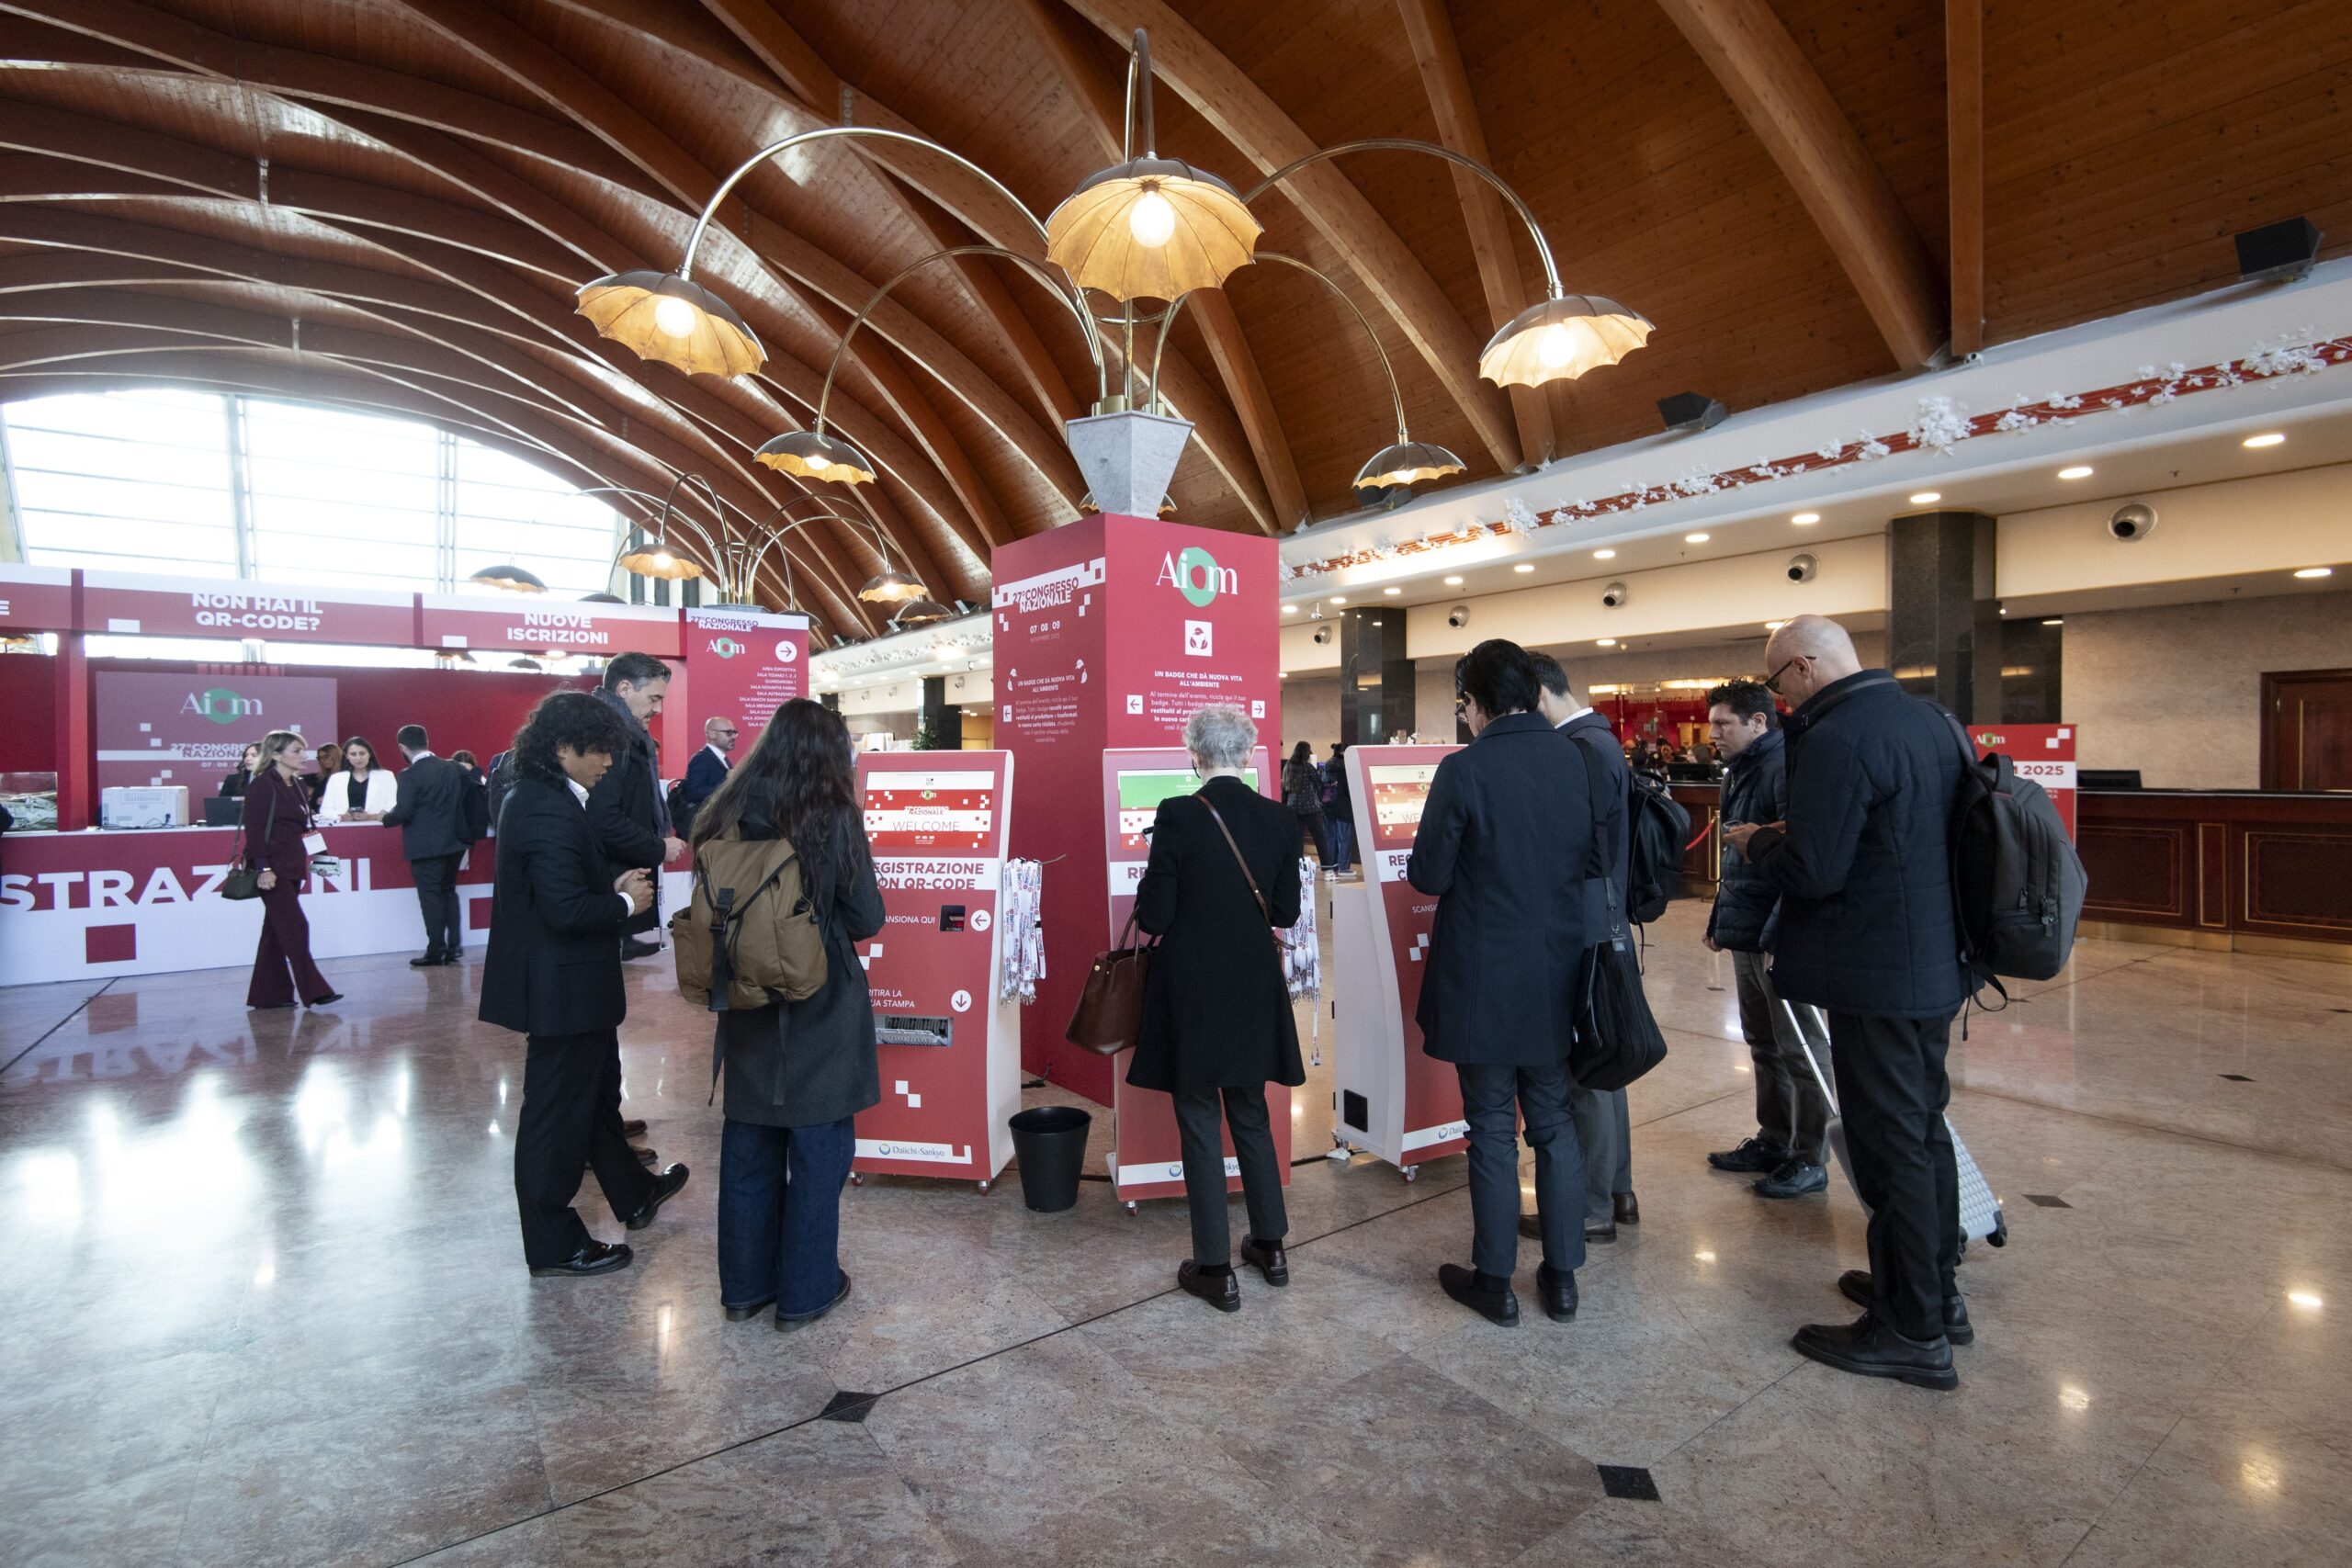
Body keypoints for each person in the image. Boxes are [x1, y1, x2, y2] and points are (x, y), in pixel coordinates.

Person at [1724, 614, 1971, 1391]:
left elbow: (1815, 869)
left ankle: (1911, 1331)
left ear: (1802, 667)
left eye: (1777, 682)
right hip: (1935, 962)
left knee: (1888, 1146)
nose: (1779, 698)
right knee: (1921, 1132)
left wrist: (1759, 841)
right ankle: (1932, 1292)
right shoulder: (1931, 721)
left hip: (1876, 971)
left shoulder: (1836, 735)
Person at [1408, 641, 1595, 1327]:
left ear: (1476, 703)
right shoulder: (1575, 759)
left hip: (1482, 976)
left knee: (1491, 1127)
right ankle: (1562, 1278)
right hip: (1556, 971)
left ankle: (1495, 1281)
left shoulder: (1464, 769)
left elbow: (1429, 874)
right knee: (1553, 1122)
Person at [481, 690, 686, 1279]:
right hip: (561, 991)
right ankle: (554, 1243)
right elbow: (565, 910)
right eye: (597, 750)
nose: (607, 762)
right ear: (561, 748)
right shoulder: (544, 806)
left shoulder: (549, 798)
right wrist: (624, 902)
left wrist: (609, 887)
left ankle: (634, 1193)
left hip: (573, 988)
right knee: (555, 1119)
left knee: (594, 1099)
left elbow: (562, 887)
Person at [698, 699, 883, 1329]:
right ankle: (806, 1291)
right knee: (818, 1147)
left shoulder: (724, 809)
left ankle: (745, 1288)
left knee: (748, 1144)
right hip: (819, 1001)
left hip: (744, 998)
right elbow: (867, 916)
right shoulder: (832, 813)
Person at [1127, 704, 1305, 1314]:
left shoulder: (1177, 814)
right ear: (1249, 754)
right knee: (1250, 1111)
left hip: (1193, 987)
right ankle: (1272, 1247)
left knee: (1200, 1117)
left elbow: (1155, 917)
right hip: (1254, 983)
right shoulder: (1280, 818)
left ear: (1194, 756)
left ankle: (1214, 1268)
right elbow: (1286, 913)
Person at [1702, 680, 1834, 1201]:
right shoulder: (1742, 769)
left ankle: (1810, 1155)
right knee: (1762, 1041)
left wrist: (1782, 931)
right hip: (1748, 928)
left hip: (1779, 932)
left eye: (1723, 724)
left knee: (1800, 1047)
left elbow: (1798, 856)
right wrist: (1720, 920)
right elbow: (1737, 854)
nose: (1714, 734)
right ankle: (1775, 1138)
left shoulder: (1783, 767)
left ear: (1758, 722)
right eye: (1712, 724)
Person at [1530, 652, 1638, 1244]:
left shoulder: (1578, 749)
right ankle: (1616, 1190)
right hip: (1604, 920)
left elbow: (1573, 850)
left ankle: (1591, 1206)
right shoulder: (1600, 740)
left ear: (1539, 694)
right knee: (1604, 1061)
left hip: (1584, 927)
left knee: (1584, 1072)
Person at [588, 653, 686, 961]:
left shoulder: (624, 734)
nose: (658, 709)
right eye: (654, 698)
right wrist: (658, 847)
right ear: (625, 688)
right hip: (606, 877)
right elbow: (603, 817)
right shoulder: (609, 736)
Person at [241, 729, 341, 1011]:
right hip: (272, 870)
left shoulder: (296, 785)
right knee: (296, 926)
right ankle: (315, 990)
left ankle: (268, 996)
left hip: (293, 866)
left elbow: (308, 827)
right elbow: (254, 832)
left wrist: (322, 860)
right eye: (296, 751)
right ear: (276, 755)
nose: (303, 756)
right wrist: (264, 867)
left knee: (275, 932)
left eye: (302, 750)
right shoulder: (262, 786)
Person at [383, 725, 478, 968]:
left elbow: (404, 811)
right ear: (427, 741)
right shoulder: (454, 768)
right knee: (448, 891)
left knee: (430, 897)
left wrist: (385, 818)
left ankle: (436, 950)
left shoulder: (409, 775)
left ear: (403, 747)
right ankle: (454, 946)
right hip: (455, 842)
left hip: (425, 846)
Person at [677, 715, 738, 833]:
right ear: (712, 734)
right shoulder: (702, 758)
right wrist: (727, 784)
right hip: (707, 825)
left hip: (719, 822)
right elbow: (693, 793)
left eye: (735, 733)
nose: (733, 737)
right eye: (729, 733)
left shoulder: (723, 759)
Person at [317, 735, 395, 823]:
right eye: (353, 754)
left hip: (377, 827)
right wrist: (340, 817)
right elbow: (326, 810)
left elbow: (393, 805)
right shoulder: (336, 779)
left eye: (362, 753)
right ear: (346, 756)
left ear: (369, 754)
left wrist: (372, 817)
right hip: (345, 828)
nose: (358, 758)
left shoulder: (386, 776)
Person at [1281, 740, 1330, 866]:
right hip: (1310, 808)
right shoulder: (1308, 767)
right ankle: (1326, 867)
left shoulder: (1288, 766)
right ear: (1306, 753)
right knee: (1319, 838)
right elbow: (1319, 784)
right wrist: (1319, 799)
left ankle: (1299, 868)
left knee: (1298, 840)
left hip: (1293, 808)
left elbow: (1285, 788)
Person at [1323, 741, 1356, 874]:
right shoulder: (1346, 768)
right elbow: (1349, 789)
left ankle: (1332, 866)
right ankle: (1343, 867)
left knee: (1330, 838)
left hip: (1328, 806)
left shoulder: (1326, 766)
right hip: (1343, 808)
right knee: (1344, 838)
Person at [305, 740, 342, 811]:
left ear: (335, 756)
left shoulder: (345, 776)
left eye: (326, 756)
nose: (322, 760)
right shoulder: (319, 778)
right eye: (320, 758)